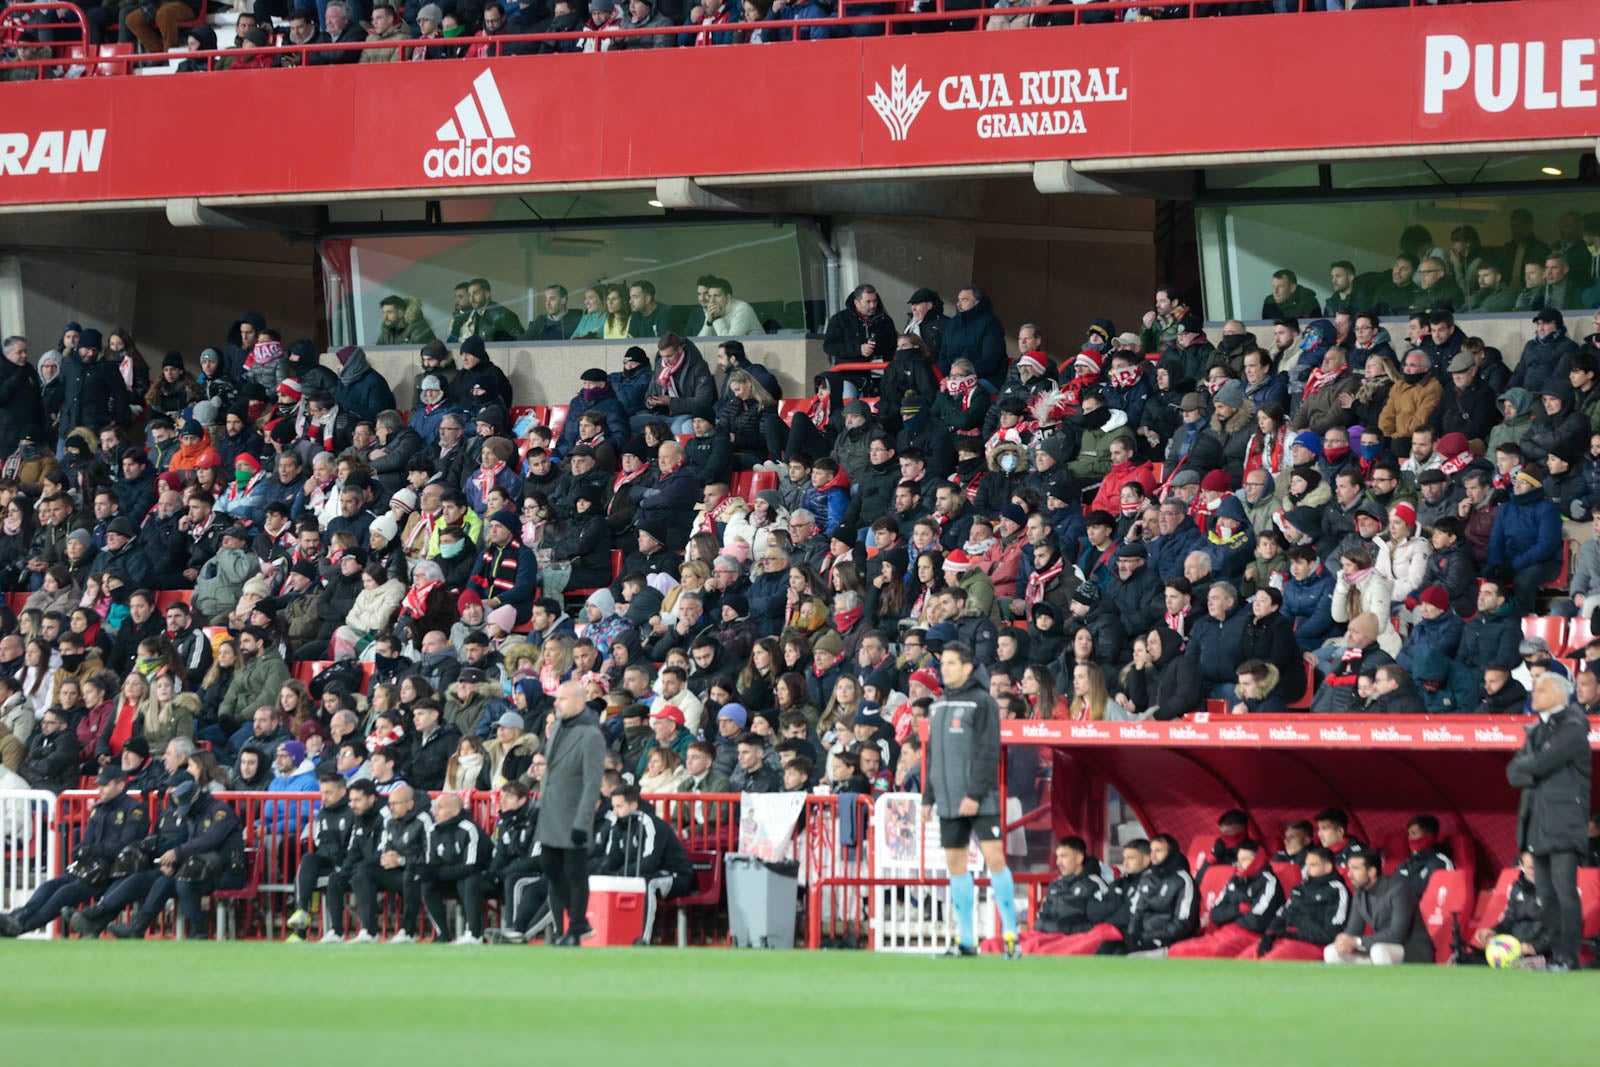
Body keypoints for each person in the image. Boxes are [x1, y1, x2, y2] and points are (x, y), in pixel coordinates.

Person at [922, 641, 1018, 958]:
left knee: (994, 859)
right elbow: (932, 755)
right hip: (948, 801)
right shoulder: (937, 706)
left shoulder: (983, 703)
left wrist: (975, 795)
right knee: (955, 865)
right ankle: (966, 940)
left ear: (966, 667)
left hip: (979, 799)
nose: (944, 668)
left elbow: (989, 752)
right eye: (943, 663)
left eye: (950, 663)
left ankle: (1011, 938)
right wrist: (927, 799)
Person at [1506, 672, 1592, 971]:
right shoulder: (1538, 730)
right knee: (1545, 893)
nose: (1535, 694)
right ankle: (1556, 955)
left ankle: (1569, 956)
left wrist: (1534, 764)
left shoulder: (1574, 725)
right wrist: (1535, 764)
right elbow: (1513, 773)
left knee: (1564, 890)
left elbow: (1542, 763)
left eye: (1541, 689)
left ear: (1560, 694)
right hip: (1536, 822)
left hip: (1564, 821)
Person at [0, 766, 146, 937]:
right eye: (100, 784)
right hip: (90, 868)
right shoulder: (98, 810)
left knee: (64, 893)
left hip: (112, 872)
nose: (99, 788)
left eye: (105, 785)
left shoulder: (134, 810)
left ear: (121, 786)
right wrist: (81, 851)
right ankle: (18, 916)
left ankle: (20, 926)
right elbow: (87, 842)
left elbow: (124, 845)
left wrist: (91, 850)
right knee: (50, 885)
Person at [536, 680, 606, 945]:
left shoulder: (591, 735)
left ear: (579, 702)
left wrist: (583, 822)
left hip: (573, 815)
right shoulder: (559, 729)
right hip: (552, 813)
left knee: (575, 873)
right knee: (551, 868)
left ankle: (575, 929)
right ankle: (579, 923)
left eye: (562, 699)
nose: (556, 703)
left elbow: (592, 782)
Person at [595, 784, 694, 943]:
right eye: (613, 806)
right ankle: (607, 935)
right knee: (603, 878)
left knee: (647, 883)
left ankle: (643, 939)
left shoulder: (650, 823)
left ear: (633, 805)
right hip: (641, 873)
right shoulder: (617, 825)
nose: (615, 811)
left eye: (619, 806)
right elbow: (613, 858)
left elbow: (650, 862)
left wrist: (620, 875)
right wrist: (603, 872)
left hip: (675, 875)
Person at [1167, 838, 1283, 959]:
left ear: (1257, 859)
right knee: (1177, 949)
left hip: (1251, 936)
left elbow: (1257, 921)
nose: (1238, 864)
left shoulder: (1268, 881)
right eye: (1238, 860)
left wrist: (1230, 917)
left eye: (1244, 859)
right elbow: (1216, 914)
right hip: (1225, 932)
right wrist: (1238, 909)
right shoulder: (1234, 880)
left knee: (1213, 952)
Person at [350, 783, 432, 943]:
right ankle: (368, 931)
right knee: (363, 872)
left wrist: (402, 860)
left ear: (410, 803)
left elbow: (430, 856)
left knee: (411, 875)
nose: (391, 807)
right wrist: (387, 858)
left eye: (395, 803)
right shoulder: (390, 821)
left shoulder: (424, 819)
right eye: (389, 803)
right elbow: (385, 848)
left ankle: (407, 932)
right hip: (397, 871)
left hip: (419, 872)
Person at [284, 769, 357, 943]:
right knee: (308, 859)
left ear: (342, 791)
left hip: (344, 865)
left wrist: (333, 845)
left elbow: (351, 844)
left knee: (330, 878)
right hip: (325, 859)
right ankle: (301, 916)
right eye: (322, 792)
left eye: (329, 793)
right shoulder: (323, 812)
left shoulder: (352, 813)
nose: (324, 797)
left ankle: (334, 931)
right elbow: (318, 840)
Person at [1324, 851, 1433, 965]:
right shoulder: (1360, 891)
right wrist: (1344, 940)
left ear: (1371, 872)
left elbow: (1397, 935)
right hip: (1379, 948)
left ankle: (1386, 983)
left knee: (1379, 950)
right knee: (1332, 951)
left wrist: (1357, 941)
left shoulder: (1399, 890)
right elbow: (1353, 929)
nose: (1349, 874)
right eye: (1349, 869)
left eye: (1355, 869)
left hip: (1411, 950)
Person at [1252, 846, 1350, 961]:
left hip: (1314, 944)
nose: (1307, 870)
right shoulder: (1300, 888)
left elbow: (1332, 933)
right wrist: (1270, 933)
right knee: (1244, 961)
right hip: (1288, 938)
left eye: (1313, 865)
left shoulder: (1337, 891)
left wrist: (1295, 933)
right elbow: (1283, 914)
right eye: (1306, 865)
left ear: (1328, 867)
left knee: (1264, 964)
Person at [420, 791, 489, 944]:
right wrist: (431, 873)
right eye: (434, 807)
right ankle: (442, 933)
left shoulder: (469, 829)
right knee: (427, 883)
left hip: (482, 879)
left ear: (456, 811)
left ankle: (474, 934)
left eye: (440, 807)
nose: (434, 812)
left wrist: (438, 872)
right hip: (452, 877)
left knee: (468, 880)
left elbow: (472, 866)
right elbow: (432, 864)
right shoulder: (433, 831)